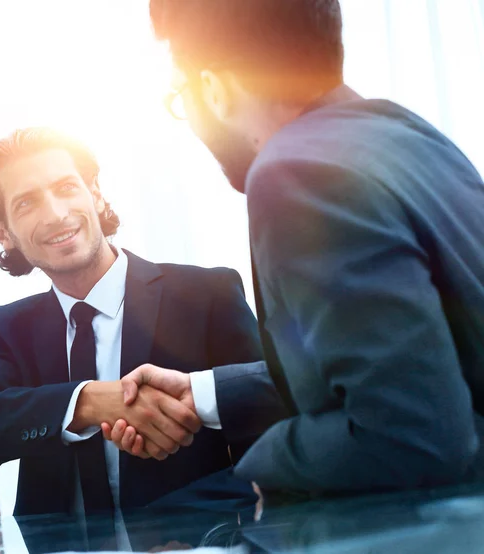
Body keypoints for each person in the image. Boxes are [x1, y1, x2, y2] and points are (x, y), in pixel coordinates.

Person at [106, 0, 484, 495]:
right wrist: (206, 395)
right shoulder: (410, 134)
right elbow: (408, 358)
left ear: (215, 90)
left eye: (183, 95)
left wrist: (264, 463)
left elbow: (411, 438)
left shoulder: (298, 173)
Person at [0, 128, 265, 542]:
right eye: (27, 202)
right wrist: (87, 402)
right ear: (3, 233)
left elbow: (273, 434)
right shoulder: (11, 327)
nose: (56, 214)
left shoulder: (205, 295)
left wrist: (203, 537)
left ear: (95, 192)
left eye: (67, 187)